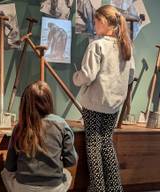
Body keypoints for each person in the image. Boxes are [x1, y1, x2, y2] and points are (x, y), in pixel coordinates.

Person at [73, 5, 135, 192]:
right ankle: (115, 188)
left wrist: (76, 78)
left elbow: (87, 75)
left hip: (94, 104)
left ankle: (98, 188)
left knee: (93, 145)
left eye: (95, 21)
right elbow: (131, 76)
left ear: (104, 22)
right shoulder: (126, 46)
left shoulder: (97, 46)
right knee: (107, 143)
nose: (94, 24)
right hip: (113, 105)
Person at [1, 81, 78, 192]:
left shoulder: (19, 127)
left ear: (25, 103)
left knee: (5, 173)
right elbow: (71, 161)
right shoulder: (62, 125)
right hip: (53, 188)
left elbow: (9, 166)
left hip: (23, 187)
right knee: (67, 174)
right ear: (49, 100)